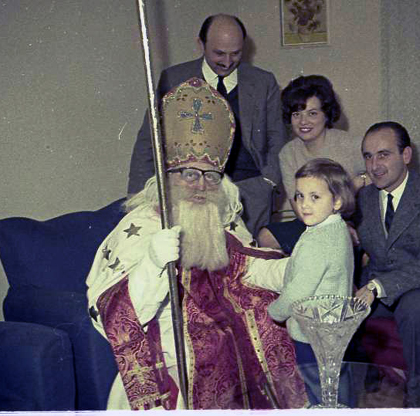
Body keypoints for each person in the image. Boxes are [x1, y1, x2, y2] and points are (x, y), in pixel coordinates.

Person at [87, 79, 305, 410]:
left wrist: (295, 268)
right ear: (167, 178)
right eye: (189, 174)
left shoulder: (222, 222)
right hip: (170, 360)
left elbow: (250, 271)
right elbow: (113, 316)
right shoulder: (141, 226)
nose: (201, 185)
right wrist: (152, 263)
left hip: (230, 351)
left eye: (211, 175)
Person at [128, 14, 286, 237]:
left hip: (250, 192)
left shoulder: (263, 81)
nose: (227, 62)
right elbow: (149, 140)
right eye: (219, 53)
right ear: (200, 44)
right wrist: (138, 196)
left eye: (236, 53)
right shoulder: (173, 79)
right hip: (192, 191)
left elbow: (277, 137)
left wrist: (268, 183)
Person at [353, 121, 420, 407]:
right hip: (374, 282)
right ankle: (356, 384)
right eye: (368, 156)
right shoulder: (363, 197)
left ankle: (417, 392)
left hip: (418, 286)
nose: (374, 165)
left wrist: (376, 286)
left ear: (406, 155)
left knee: (418, 307)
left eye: (383, 154)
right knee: (336, 302)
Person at [266, 158, 356, 406]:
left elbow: (298, 292)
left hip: (312, 333)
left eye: (315, 197)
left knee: (319, 389)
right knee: (337, 386)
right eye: (300, 196)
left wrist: (275, 312)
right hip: (334, 329)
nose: (304, 205)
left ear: (337, 201)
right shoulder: (337, 229)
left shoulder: (317, 241)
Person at [257, 75, 367, 254]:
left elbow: (380, 173)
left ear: (326, 114)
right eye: (296, 114)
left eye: (312, 113)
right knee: (265, 237)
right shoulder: (288, 153)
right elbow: (299, 209)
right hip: (312, 219)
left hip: (354, 219)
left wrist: (357, 182)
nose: (303, 122)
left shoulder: (351, 144)